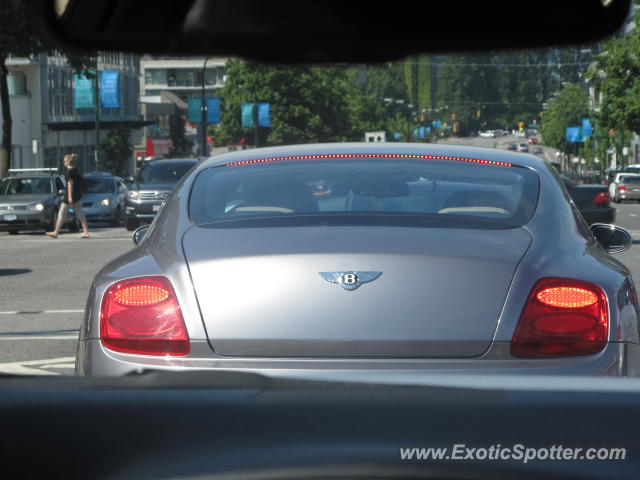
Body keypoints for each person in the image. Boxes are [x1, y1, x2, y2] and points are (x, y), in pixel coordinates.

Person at [45, 154, 90, 239]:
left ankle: (56, 232)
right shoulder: (76, 170)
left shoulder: (68, 172)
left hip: (70, 195)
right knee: (80, 214)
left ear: (68, 162)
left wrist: (69, 197)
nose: (64, 163)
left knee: (61, 213)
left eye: (65, 161)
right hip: (77, 195)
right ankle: (86, 232)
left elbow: (70, 184)